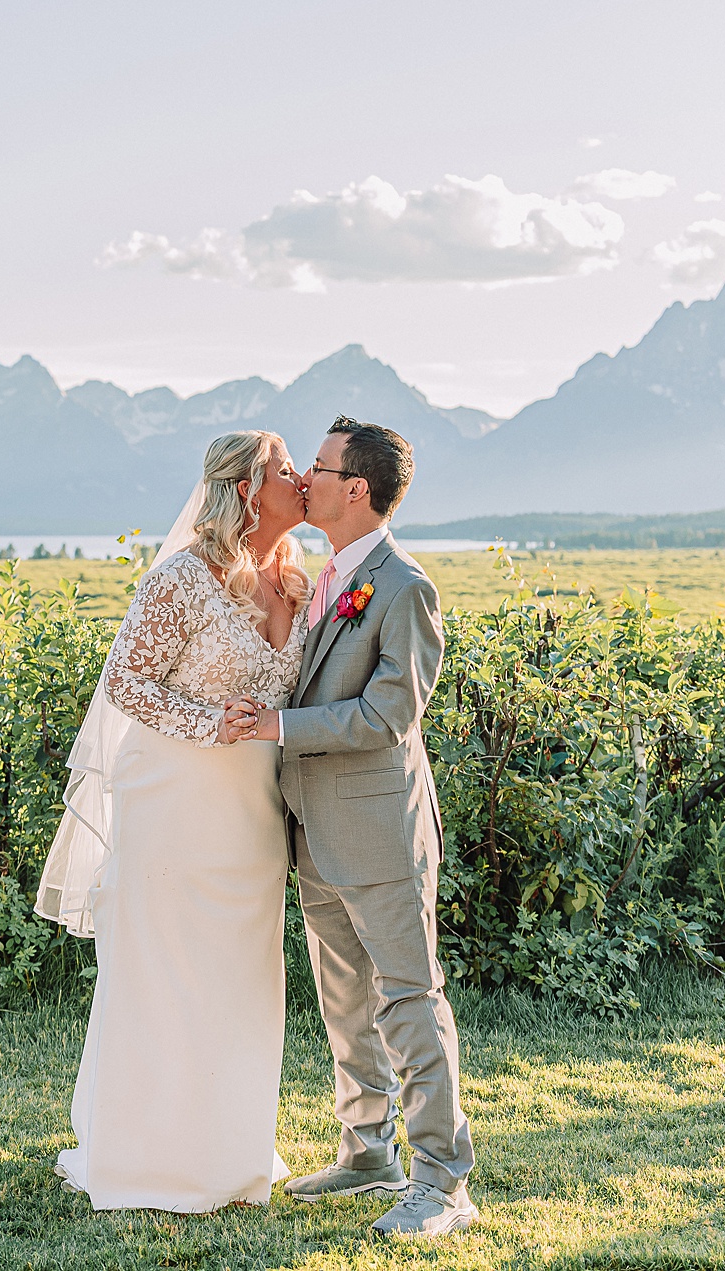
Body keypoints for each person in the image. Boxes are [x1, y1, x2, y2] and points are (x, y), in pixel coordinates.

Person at [36, 430, 310, 1212]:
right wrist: (207, 723)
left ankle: (230, 1150)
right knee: (165, 971)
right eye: (286, 469)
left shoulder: (296, 580)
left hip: (252, 814)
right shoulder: (184, 577)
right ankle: (149, 1154)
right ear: (248, 487)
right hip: (174, 800)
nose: (302, 479)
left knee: (240, 976)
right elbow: (126, 682)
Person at [233, 415, 479, 1238]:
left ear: (356, 488)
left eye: (320, 466)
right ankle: (368, 1149)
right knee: (344, 1000)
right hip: (315, 826)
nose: (305, 477)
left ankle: (443, 1181)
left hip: (379, 828)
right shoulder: (326, 575)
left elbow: (386, 714)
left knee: (408, 997)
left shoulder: (403, 587)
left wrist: (276, 727)